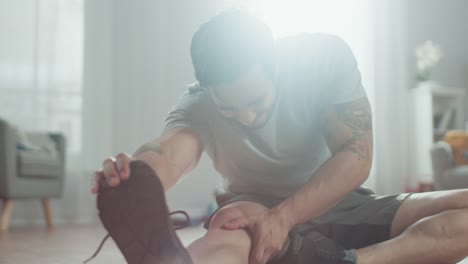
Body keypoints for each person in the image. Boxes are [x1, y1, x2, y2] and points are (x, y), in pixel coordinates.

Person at [91, 10, 468, 264]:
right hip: (251, 210)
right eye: (230, 110)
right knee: (226, 239)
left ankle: (349, 262)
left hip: (342, 203)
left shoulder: (325, 59)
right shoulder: (196, 102)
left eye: (256, 102)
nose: (248, 117)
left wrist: (284, 216)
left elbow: (356, 154)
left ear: (275, 66)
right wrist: (134, 175)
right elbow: (169, 152)